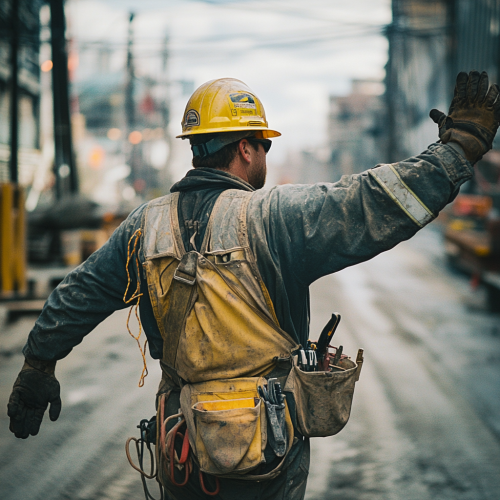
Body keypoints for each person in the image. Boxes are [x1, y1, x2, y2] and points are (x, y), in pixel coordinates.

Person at [7, 72, 500, 500]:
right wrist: (455, 151)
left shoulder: (145, 227)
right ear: (245, 147)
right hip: (265, 454)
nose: (265, 154)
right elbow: (372, 203)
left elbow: (78, 294)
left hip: (184, 443)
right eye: (263, 144)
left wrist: (37, 363)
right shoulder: (273, 217)